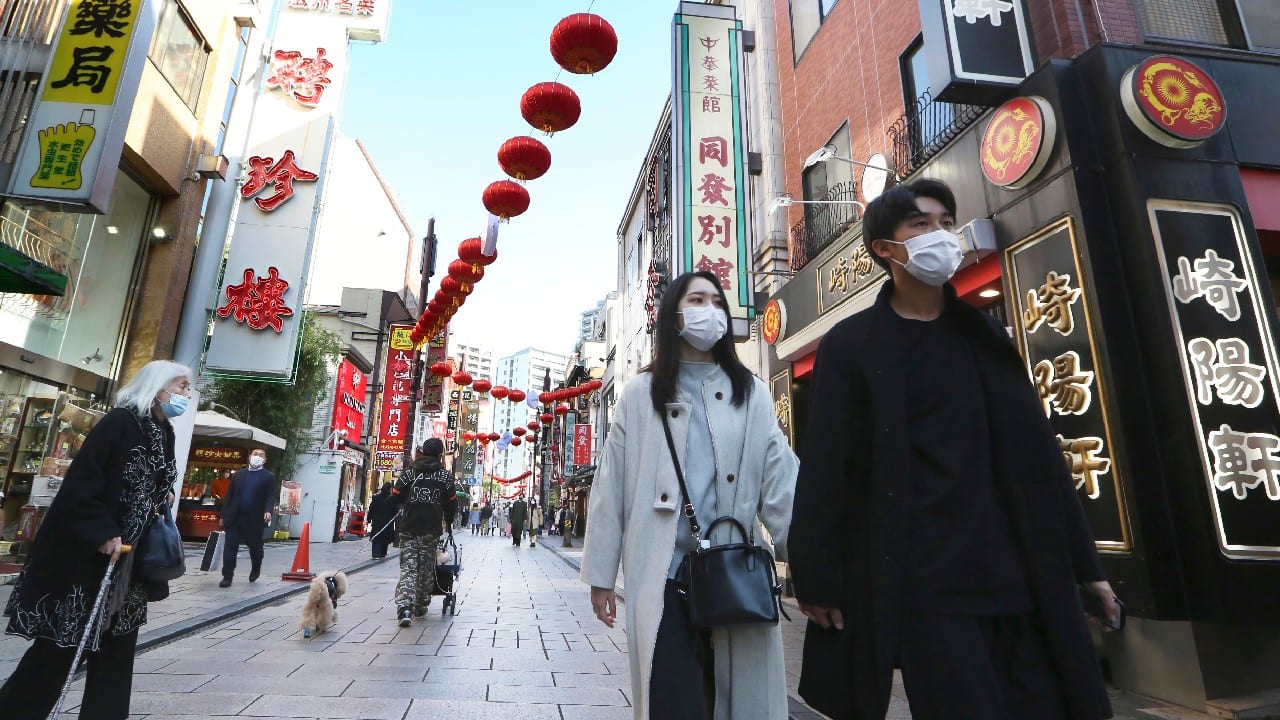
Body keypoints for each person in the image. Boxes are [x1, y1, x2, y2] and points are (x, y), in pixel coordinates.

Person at [788, 179, 1120, 720]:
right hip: (927, 587)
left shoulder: (986, 339)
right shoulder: (853, 346)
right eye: (921, 224)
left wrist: (1088, 567)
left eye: (946, 222)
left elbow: (1039, 460)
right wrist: (816, 577)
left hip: (1018, 575)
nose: (940, 234)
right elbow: (827, 468)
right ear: (885, 249)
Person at [581, 271, 799, 719]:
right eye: (697, 300)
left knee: (738, 702)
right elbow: (611, 488)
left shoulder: (752, 393)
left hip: (736, 573)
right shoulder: (641, 395)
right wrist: (601, 574)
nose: (710, 310)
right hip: (663, 576)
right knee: (673, 700)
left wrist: (813, 564)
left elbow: (783, 486)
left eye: (717, 302)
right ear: (673, 317)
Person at [0, 360, 191, 719]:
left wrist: (157, 497)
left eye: (186, 388)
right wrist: (103, 532)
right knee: (60, 649)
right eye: (180, 386)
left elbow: (154, 481)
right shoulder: (120, 423)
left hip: (131, 565)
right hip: (88, 561)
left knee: (117, 653)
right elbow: (81, 486)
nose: (185, 395)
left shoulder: (164, 431)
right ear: (157, 387)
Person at [390, 439, 456, 627]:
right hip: (431, 529)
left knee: (408, 567)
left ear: (422, 452)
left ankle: (405, 607)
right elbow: (451, 503)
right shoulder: (445, 477)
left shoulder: (410, 472)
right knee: (425, 568)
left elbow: (395, 495)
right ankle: (419, 605)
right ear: (440, 455)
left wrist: (405, 503)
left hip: (409, 527)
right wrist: (449, 521)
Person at [218, 448, 276, 587]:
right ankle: (227, 576)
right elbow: (229, 496)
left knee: (255, 547)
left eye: (261, 455)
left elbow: (270, 496)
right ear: (250, 456)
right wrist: (223, 515)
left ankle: (256, 568)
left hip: (254, 518)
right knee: (230, 546)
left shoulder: (268, 477)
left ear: (265, 460)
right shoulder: (238, 475)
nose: (257, 457)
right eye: (255, 454)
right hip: (235, 517)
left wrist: (268, 511)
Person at [367, 482, 397, 559]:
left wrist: (369, 519)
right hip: (387, 522)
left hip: (377, 522)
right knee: (385, 539)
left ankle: (376, 554)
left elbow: (371, 509)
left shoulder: (376, 498)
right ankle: (383, 554)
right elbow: (395, 511)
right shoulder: (392, 499)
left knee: (376, 537)